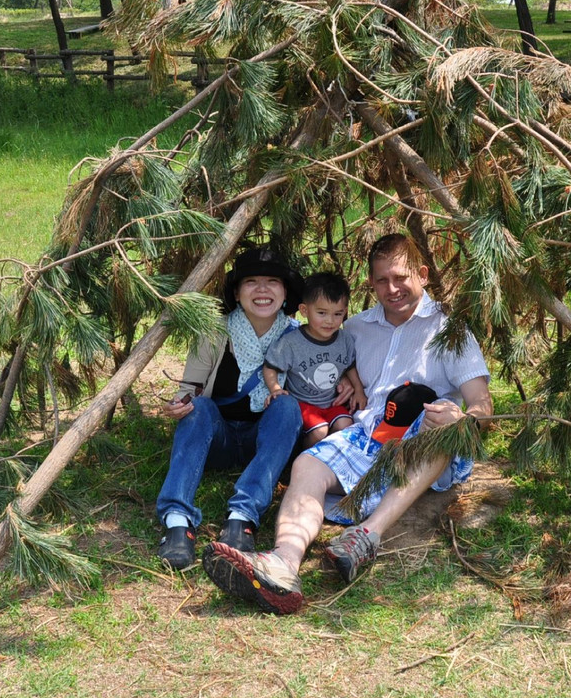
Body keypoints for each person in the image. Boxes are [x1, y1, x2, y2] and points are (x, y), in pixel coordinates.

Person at [202, 234, 492, 612]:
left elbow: (482, 405)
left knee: (438, 425)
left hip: (421, 440)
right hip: (365, 435)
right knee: (307, 465)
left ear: (422, 274)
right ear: (370, 284)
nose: (393, 288)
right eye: (382, 280)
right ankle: (282, 565)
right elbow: (317, 361)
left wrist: (462, 419)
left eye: (401, 277)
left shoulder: (449, 331)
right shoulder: (353, 328)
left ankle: (366, 537)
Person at [154, 247, 304, 570]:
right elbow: (191, 387)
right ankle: (177, 520)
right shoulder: (213, 331)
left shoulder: (298, 337)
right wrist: (181, 403)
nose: (262, 290)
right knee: (200, 408)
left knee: (288, 407)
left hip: (263, 446)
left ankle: (242, 517)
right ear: (237, 292)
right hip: (219, 440)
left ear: (285, 291)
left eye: (272, 281)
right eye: (251, 281)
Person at [262, 272, 368, 450]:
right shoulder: (292, 342)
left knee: (346, 426)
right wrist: (276, 389)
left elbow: (350, 367)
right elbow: (270, 366)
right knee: (319, 431)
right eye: (322, 313)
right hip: (303, 404)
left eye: (337, 314)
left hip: (332, 402)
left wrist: (359, 390)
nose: (330, 321)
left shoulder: (344, 339)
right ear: (304, 310)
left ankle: (330, 460)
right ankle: (302, 456)